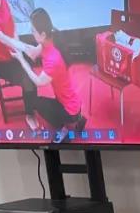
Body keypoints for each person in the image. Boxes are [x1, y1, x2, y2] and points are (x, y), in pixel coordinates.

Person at [14, 8, 86, 142]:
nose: (31, 33)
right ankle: (78, 119)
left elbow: (38, 81)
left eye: (33, 31)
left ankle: (64, 129)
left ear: (42, 34)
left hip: (69, 109)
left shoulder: (53, 60)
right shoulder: (50, 40)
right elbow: (33, 52)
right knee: (51, 101)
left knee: (36, 103)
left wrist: (21, 60)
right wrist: (15, 45)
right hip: (72, 103)